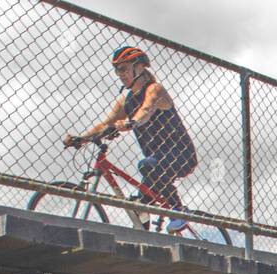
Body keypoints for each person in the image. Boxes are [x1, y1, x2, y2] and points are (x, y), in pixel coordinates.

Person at [63, 46, 198, 231]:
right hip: (156, 162)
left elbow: (147, 110)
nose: (120, 74)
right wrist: (81, 138)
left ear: (139, 67)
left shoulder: (154, 89)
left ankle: (179, 211)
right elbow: (105, 124)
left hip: (181, 155)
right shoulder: (125, 101)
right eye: (117, 70)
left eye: (123, 69)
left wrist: (132, 122)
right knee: (139, 207)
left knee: (146, 165)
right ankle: (147, 238)